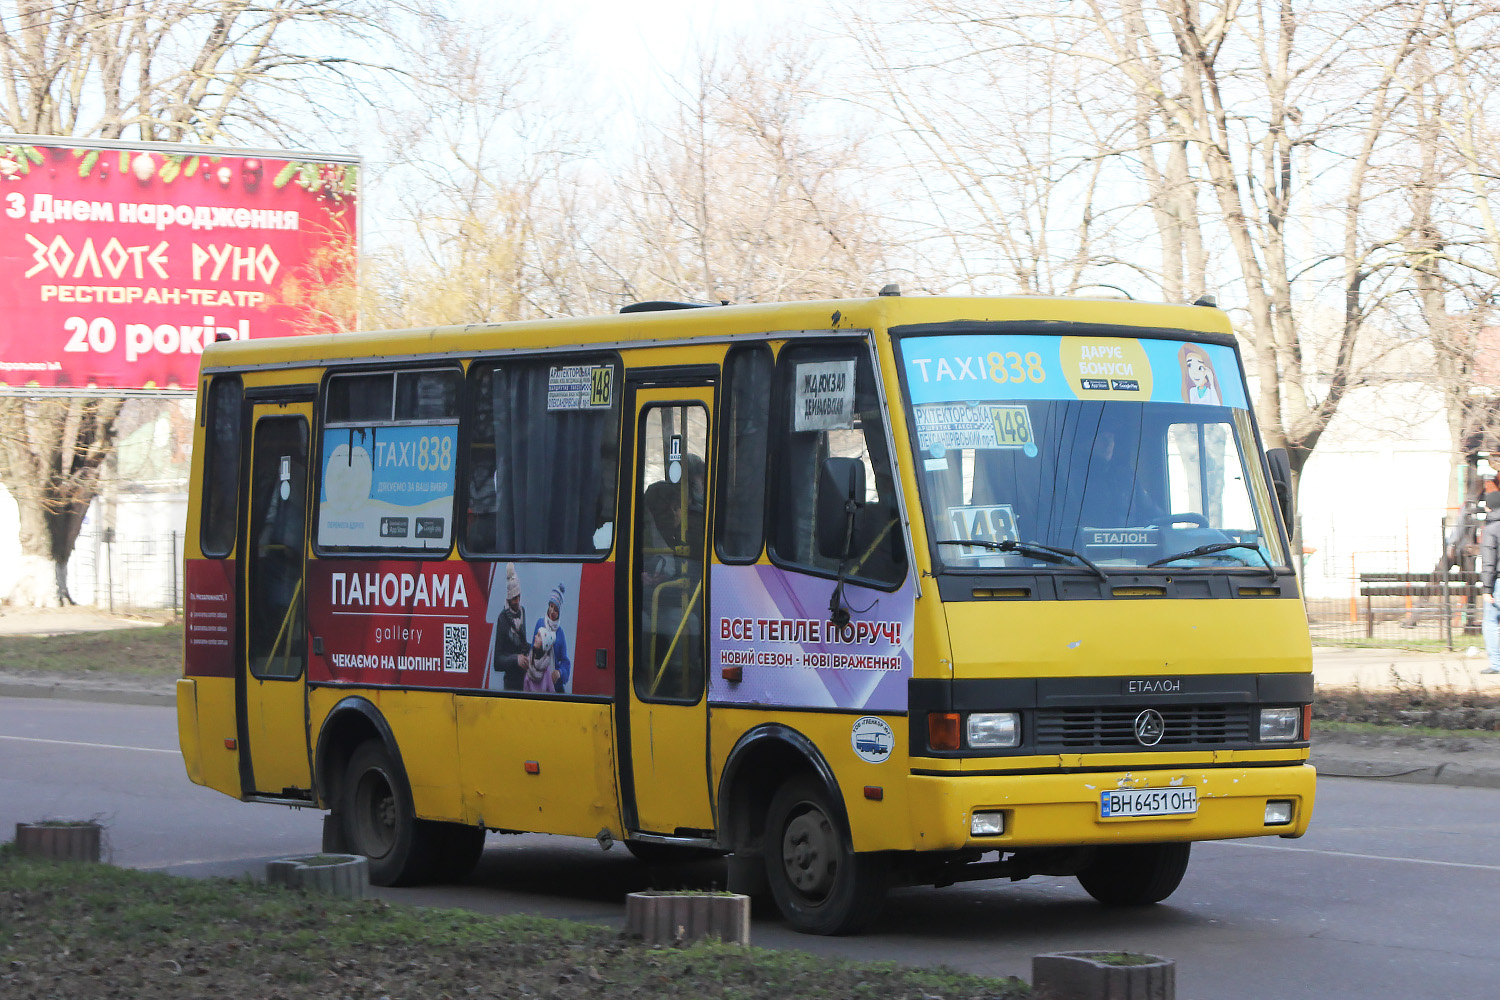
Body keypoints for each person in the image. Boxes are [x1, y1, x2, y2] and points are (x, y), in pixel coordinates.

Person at [524, 583, 572, 693]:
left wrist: (559, 672)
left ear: (559, 612)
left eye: (556, 609)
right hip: (538, 682)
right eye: (551, 606)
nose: (552, 611)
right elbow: (533, 650)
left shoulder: (560, 633)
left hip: (555, 686)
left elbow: (565, 662)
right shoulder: (540, 623)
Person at [490, 563, 529, 690]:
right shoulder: (503, 619)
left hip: (525, 679)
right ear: (508, 599)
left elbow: (523, 644)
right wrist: (515, 659)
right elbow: (497, 661)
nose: (517, 602)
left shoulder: (522, 612)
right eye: (513, 598)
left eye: (518, 597)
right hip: (511, 682)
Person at [1481, 498, 1500, 674]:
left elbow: (1489, 562)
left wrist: (1487, 589)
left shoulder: (1491, 529)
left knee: (1491, 622)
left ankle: (1496, 664)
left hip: (1498, 582)